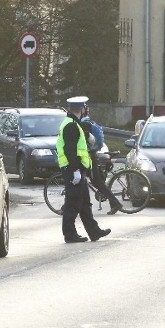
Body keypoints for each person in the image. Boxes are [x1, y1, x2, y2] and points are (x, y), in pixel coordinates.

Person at [57, 95, 111, 243]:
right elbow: (70, 150)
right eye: (85, 107)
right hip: (72, 169)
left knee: (85, 202)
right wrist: (75, 170)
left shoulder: (73, 123)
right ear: (81, 109)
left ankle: (94, 231)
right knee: (72, 203)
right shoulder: (71, 125)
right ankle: (70, 234)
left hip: (77, 169)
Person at [81, 109, 123, 215]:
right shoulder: (88, 122)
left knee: (97, 182)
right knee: (97, 183)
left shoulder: (83, 124)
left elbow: (87, 140)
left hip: (90, 157)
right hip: (91, 156)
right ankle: (114, 204)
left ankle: (116, 203)